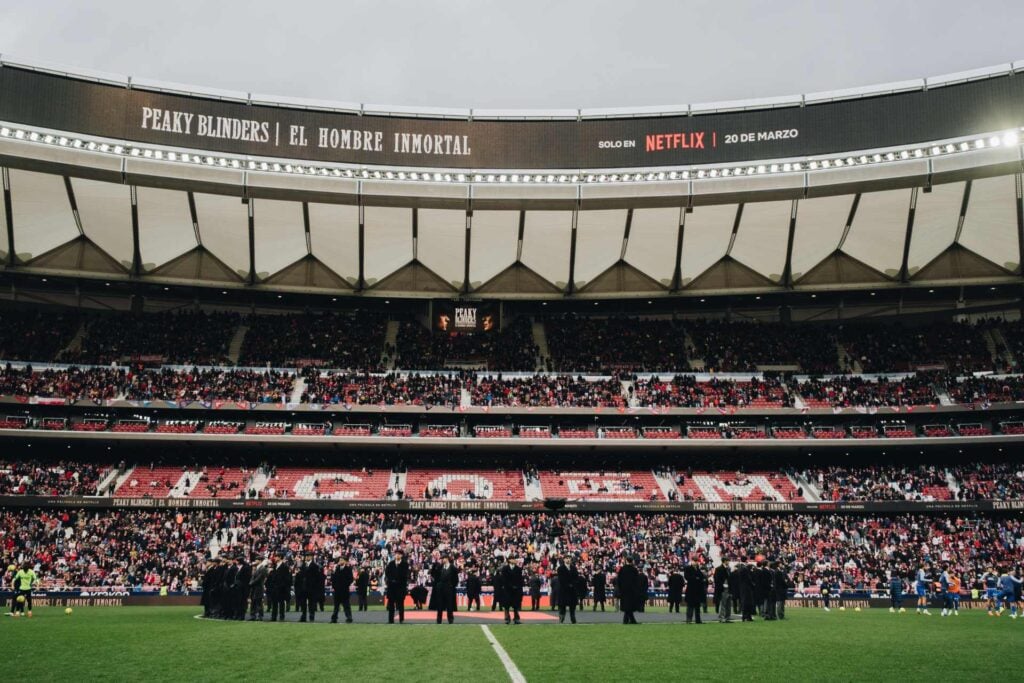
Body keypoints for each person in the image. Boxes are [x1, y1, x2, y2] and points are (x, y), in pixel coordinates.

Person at [430, 555, 458, 624]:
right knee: (439, 605)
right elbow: (435, 575)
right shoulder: (440, 567)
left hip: (449, 588)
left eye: (443, 558)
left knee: (449, 605)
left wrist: (452, 586)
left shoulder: (452, 568)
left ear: (447, 559)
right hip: (440, 588)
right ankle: (439, 620)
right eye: (442, 559)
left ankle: (450, 619)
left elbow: (456, 579)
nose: (442, 560)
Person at [385, 550, 409, 624]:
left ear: (401, 555)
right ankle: (390, 620)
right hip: (392, 587)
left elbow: (405, 575)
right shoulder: (391, 564)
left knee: (401, 604)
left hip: (400, 587)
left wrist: (398, 580)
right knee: (391, 604)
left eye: (399, 554)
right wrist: (391, 580)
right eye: (396, 554)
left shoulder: (405, 564)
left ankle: (401, 619)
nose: (397, 555)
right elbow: (387, 573)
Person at [498, 556, 524, 625]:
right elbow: (503, 579)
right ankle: (507, 618)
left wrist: (518, 587)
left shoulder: (518, 569)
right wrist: (510, 586)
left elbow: (520, 580)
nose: (513, 560)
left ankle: (516, 619)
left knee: (516, 605)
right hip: (507, 590)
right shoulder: (505, 568)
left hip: (516, 590)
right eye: (512, 559)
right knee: (507, 605)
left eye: (514, 559)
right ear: (509, 560)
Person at [616, 556, 641, 624]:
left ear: (626, 560)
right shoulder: (634, 570)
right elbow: (637, 581)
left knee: (627, 606)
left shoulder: (622, 569)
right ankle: (631, 620)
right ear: (632, 561)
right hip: (632, 591)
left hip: (624, 591)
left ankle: (627, 620)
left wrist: (620, 589)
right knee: (629, 606)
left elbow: (619, 580)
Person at [331, 557, 354, 623]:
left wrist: (345, 585)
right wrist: (334, 586)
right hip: (337, 591)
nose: (340, 561)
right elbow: (334, 579)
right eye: (339, 560)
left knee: (346, 605)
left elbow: (351, 579)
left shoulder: (348, 569)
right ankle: (334, 618)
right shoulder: (337, 569)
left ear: (345, 561)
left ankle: (349, 618)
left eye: (341, 560)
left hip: (344, 590)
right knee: (336, 606)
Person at [683, 557, 706, 624]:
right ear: (692, 561)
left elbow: (701, 577)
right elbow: (687, 577)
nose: (696, 562)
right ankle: (689, 620)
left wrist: (697, 578)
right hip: (691, 590)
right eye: (694, 561)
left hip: (698, 590)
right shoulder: (688, 568)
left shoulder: (698, 569)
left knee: (697, 606)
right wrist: (696, 578)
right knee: (690, 606)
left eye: (696, 561)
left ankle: (698, 620)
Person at [557, 556, 579, 624]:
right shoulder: (560, 568)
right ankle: (561, 618)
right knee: (562, 606)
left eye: (569, 558)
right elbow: (561, 579)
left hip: (572, 590)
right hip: (564, 590)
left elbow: (576, 578)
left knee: (572, 606)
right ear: (564, 560)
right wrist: (568, 584)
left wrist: (573, 584)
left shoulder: (574, 568)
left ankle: (573, 618)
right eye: (566, 558)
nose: (568, 559)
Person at [269, 557, 291, 622]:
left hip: (281, 588)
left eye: (276, 557)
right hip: (274, 587)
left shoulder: (284, 566)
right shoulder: (275, 566)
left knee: (281, 603)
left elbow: (287, 578)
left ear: (280, 557)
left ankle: (282, 616)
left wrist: (283, 586)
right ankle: (273, 617)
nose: (275, 558)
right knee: (274, 603)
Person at [249, 557, 270, 621]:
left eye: (256, 560)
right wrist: (251, 582)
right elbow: (253, 577)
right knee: (253, 602)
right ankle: (253, 615)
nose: (255, 561)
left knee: (258, 602)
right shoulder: (257, 568)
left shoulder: (263, 568)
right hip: (254, 587)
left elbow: (259, 578)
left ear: (260, 561)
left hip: (258, 587)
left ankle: (260, 616)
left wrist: (251, 583)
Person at [235, 556, 252, 621]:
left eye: (237, 561)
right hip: (239, 588)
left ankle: (242, 615)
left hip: (244, 588)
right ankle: (238, 614)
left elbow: (247, 578)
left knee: (243, 602)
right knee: (238, 602)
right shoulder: (239, 568)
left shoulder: (246, 568)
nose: (236, 562)